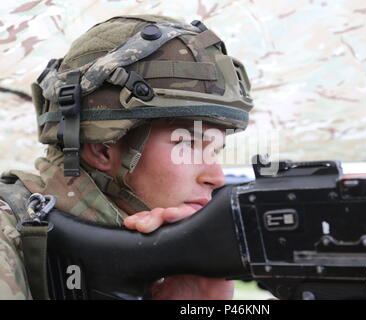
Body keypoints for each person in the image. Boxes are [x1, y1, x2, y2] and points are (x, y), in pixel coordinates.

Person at [0, 14, 253, 299]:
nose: (216, 178)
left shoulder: (142, 245)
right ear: (103, 149)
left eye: (215, 150)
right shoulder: (7, 241)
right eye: (188, 145)